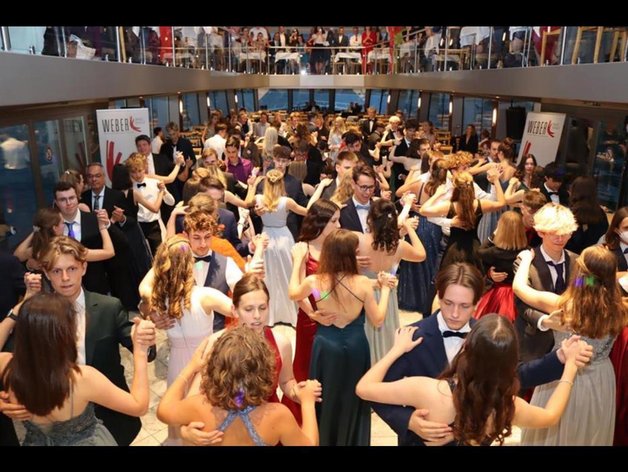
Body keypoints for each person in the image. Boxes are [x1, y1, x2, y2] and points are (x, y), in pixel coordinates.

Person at [370, 262, 593, 446]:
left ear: (477, 304)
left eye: (464, 306)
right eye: (448, 303)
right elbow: (376, 391)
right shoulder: (412, 335)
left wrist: (559, 358)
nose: (455, 313)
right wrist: (408, 421)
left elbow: (515, 375)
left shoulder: (488, 335)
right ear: (438, 296)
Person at [0, 236, 156, 445]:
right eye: (57, 271)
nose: (65, 278)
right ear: (46, 273)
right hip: (49, 422)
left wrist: (147, 336)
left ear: (83, 268)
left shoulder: (109, 307)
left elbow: (142, 346)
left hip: (111, 416)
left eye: (71, 269)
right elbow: (15, 357)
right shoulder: (36, 314)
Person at [357, 314, 582, 446]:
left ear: (467, 348)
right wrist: (570, 366)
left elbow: (364, 388)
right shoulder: (507, 407)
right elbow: (551, 416)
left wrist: (396, 350)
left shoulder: (430, 391)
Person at [289, 229, 396, 445]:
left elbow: (295, 293)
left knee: (325, 398)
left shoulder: (315, 282)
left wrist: (298, 261)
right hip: (356, 345)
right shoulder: (363, 283)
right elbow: (378, 319)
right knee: (354, 397)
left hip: (326, 346)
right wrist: (385, 289)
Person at [514, 245, 628, 445]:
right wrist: (609, 277)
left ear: (580, 272)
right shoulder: (621, 310)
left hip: (560, 375)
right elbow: (601, 282)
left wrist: (525, 260)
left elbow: (519, 288)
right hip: (600, 379)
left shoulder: (563, 306)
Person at [157, 325, 320, 446]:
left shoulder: (199, 406)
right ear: (265, 370)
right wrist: (307, 402)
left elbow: (163, 411)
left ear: (214, 368)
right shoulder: (278, 416)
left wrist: (191, 367)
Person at [280, 199, 340, 422]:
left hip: (334, 317)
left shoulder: (336, 246)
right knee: (306, 366)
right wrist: (314, 314)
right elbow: (297, 290)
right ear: (321, 222)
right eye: (334, 221)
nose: (339, 225)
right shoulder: (303, 249)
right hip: (310, 319)